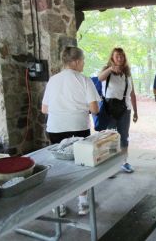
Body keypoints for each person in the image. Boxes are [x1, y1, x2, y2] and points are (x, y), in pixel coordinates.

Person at [42, 46, 100, 216]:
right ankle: (82, 203)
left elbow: (45, 109)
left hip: (55, 128)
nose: (83, 64)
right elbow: (94, 109)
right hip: (78, 127)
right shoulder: (84, 80)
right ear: (75, 61)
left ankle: (58, 204)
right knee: (80, 164)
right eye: (82, 61)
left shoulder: (53, 80)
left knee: (59, 166)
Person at [98, 47, 138, 173]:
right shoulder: (106, 70)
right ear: (112, 58)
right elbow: (99, 78)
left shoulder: (127, 73)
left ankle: (124, 162)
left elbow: (132, 93)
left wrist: (136, 111)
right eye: (117, 56)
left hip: (125, 109)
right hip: (109, 109)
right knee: (109, 137)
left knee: (124, 136)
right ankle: (109, 167)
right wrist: (110, 69)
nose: (120, 58)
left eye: (122, 56)